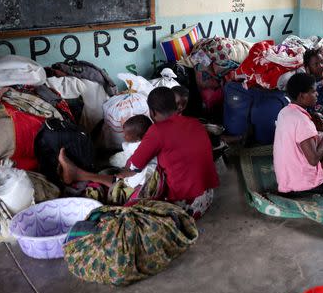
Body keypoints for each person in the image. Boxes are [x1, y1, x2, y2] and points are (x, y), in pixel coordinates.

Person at [58, 87, 219, 219]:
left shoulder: (157, 130)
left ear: (152, 112)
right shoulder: (195, 123)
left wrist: (124, 171)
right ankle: (79, 174)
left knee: (127, 182)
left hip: (182, 208)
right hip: (207, 197)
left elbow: (132, 167)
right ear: (176, 106)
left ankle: (79, 174)